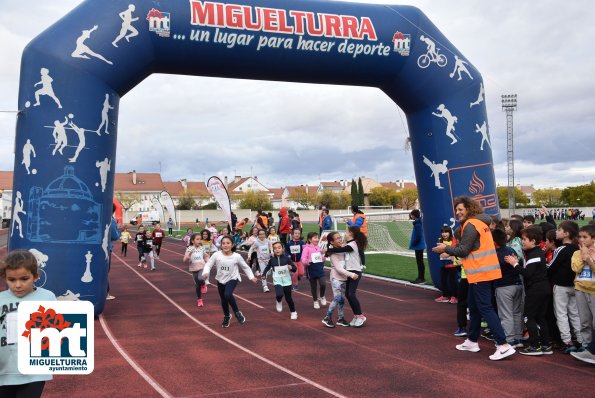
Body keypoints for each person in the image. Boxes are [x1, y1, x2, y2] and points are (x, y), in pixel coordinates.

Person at [432, 196, 515, 361]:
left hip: (480, 272)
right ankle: (471, 340)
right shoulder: (480, 223)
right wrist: (449, 250)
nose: (458, 212)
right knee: (474, 306)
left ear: (469, 209)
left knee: (485, 308)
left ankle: (503, 344)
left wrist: (445, 247)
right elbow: (470, 249)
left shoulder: (471, 225)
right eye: (456, 210)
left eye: (461, 209)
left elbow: (463, 250)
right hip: (481, 272)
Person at [0, 250, 56, 397]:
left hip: (35, 372)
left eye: (24, 279)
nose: (17, 285)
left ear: (36, 276)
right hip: (4, 371)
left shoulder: (47, 297)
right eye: (11, 280)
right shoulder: (0, 300)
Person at [504, 226, 552, 356]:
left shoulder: (535, 254)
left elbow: (527, 273)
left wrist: (514, 263)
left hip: (536, 290)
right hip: (542, 289)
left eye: (525, 239)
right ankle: (546, 345)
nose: (522, 242)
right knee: (540, 317)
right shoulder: (535, 253)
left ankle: (535, 346)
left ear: (533, 241)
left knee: (528, 317)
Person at [202, 236, 257, 327]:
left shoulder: (236, 256)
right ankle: (227, 316)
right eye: (223, 243)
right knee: (223, 299)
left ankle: (237, 313)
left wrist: (251, 277)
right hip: (220, 279)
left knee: (227, 294)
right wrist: (206, 272)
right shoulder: (217, 255)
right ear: (220, 245)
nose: (226, 245)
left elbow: (245, 267)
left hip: (233, 278)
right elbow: (208, 264)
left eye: (228, 243)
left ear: (232, 245)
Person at [548, 221, 582, 353]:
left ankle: (567, 341)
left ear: (566, 234)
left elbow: (551, 267)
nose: (556, 231)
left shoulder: (560, 249)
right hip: (574, 284)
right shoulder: (577, 248)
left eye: (559, 230)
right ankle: (581, 340)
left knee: (561, 313)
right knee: (574, 313)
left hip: (561, 285)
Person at [325, 226, 367, 327]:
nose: (344, 234)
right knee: (348, 295)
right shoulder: (349, 243)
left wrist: (328, 251)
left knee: (351, 295)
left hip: (355, 272)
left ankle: (360, 316)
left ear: (351, 233)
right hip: (349, 272)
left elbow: (341, 249)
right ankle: (356, 316)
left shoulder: (352, 244)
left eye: (346, 232)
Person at [492, 228, 524, 348]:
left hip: (504, 286)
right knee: (516, 312)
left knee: (506, 314)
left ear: (494, 242)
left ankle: (510, 340)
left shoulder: (497, 254)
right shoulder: (511, 249)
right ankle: (518, 338)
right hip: (517, 284)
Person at [570, 224, 595, 361]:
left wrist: (590, 260)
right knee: (585, 322)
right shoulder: (576, 253)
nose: (582, 240)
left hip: (594, 291)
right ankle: (586, 348)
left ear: (593, 238)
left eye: (585, 237)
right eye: (580, 237)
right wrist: (583, 255)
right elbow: (576, 268)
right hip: (580, 289)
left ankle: (592, 350)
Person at [322, 231, 356, 328]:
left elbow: (348, 241)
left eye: (340, 237)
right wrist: (351, 274)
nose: (340, 239)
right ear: (331, 242)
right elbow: (339, 269)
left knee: (342, 300)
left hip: (344, 279)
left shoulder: (343, 249)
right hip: (336, 278)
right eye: (337, 238)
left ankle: (340, 318)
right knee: (337, 298)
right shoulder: (333, 254)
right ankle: (327, 317)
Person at [261, 242, 298, 320]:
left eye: (279, 248)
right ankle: (278, 301)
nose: (277, 250)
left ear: (283, 249)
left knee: (288, 298)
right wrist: (264, 274)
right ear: (273, 250)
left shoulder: (287, 259)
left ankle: (293, 312)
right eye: (275, 248)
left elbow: (295, 269)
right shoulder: (272, 260)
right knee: (279, 294)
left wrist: (291, 267)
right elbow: (267, 268)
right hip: (277, 280)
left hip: (287, 281)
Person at [301, 232, 327, 309]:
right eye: (315, 238)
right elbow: (303, 258)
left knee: (323, 283)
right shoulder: (306, 248)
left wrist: (323, 258)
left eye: (317, 237)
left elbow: (320, 257)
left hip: (319, 267)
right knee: (314, 286)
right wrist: (306, 262)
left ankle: (322, 296)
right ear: (310, 239)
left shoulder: (318, 248)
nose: (317, 239)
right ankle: (315, 301)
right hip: (311, 268)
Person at [183, 233, 209, 307]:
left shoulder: (202, 248)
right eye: (197, 239)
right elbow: (184, 260)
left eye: (200, 239)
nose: (199, 241)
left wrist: (208, 262)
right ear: (192, 241)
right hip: (194, 268)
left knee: (200, 278)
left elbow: (206, 256)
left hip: (202, 267)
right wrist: (188, 257)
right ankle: (199, 299)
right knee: (197, 285)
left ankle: (203, 284)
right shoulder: (189, 248)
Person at [435, 226, 458, 303]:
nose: (444, 234)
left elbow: (455, 250)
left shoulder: (453, 240)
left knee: (452, 281)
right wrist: (438, 252)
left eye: (446, 232)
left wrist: (447, 254)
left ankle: (454, 296)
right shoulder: (440, 240)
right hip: (443, 264)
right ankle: (445, 296)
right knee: (443, 280)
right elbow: (439, 251)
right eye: (443, 232)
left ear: (450, 233)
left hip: (452, 265)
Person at [409, 209, 427, 284]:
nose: (411, 216)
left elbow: (419, 236)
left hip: (419, 246)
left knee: (420, 262)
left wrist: (414, 242)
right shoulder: (418, 223)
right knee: (419, 262)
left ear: (414, 215)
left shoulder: (418, 224)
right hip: (419, 245)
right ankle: (420, 277)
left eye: (411, 215)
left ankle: (421, 278)